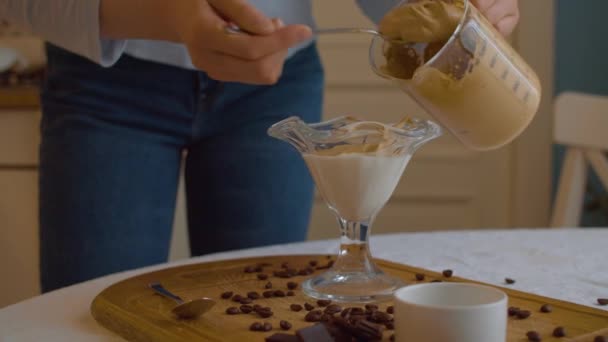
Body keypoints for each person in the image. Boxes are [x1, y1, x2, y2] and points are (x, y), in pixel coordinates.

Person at [0, 0, 519, 292]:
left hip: (275, 83)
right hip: (103, 86)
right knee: (89, 309)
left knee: (259, 303)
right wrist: (175, 17)